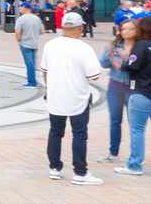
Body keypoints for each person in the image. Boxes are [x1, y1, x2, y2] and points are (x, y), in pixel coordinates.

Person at [40, 12, 103, 185]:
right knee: (79, 134)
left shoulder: (50, 45)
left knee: (55, 132)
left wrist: (51, 87)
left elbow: (45, 71)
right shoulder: (84, 48)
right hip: (77, 97)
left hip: (55, 96)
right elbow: (94, 75)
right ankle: (80, 172)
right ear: (80, 28)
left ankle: (54, 168)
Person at [97, 20, 136, 164]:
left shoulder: (141, 46)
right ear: (119, 31)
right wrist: (108, 53)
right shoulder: (114, 46)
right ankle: (113, 153)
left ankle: (135, 154)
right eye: (124, 29)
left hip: (134, 89)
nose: (127, 31)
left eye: (131, 28)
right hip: (115, 87)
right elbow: (102, 63)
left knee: (134, 123)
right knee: (115, 120)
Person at [116, 16, 151, 176]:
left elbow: (130, 67)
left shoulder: (141, 45)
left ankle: (134, 165)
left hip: (141, 92)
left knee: (137, 130)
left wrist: (124, 60)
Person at [15, 2, 44, 88]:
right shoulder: (37, 19)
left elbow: (17, 32)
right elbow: (42, 31)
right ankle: (33, 80)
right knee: (33, 63)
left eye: (21, 7)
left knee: (29, 63)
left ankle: (32, 82)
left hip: (25, 43)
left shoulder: (21, 19)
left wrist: (19, 40)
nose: (20, 9)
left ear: (26, 8)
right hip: (34, 43)